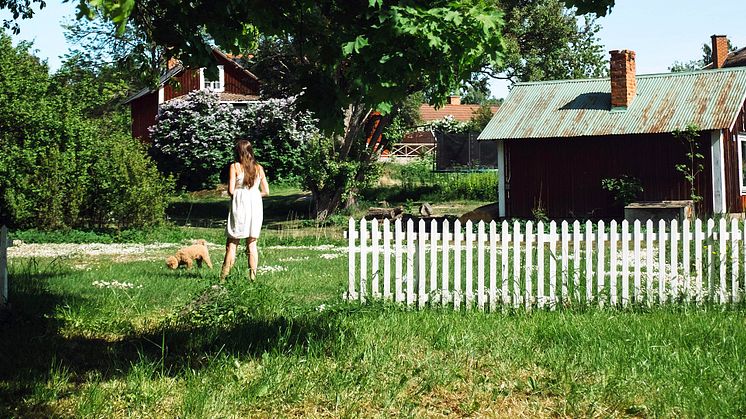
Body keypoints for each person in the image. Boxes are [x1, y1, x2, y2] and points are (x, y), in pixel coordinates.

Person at [220, 139, 269, 281]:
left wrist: (242, 194)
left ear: (238, 152)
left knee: (232, 244)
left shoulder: (234, 166)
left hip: (240, 206)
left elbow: (231, 190)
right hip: (255, 206)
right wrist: (252, 195)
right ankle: (252, 278)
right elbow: (266, 191)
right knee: (252, 244)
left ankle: (223, 279)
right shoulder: (259, 168)